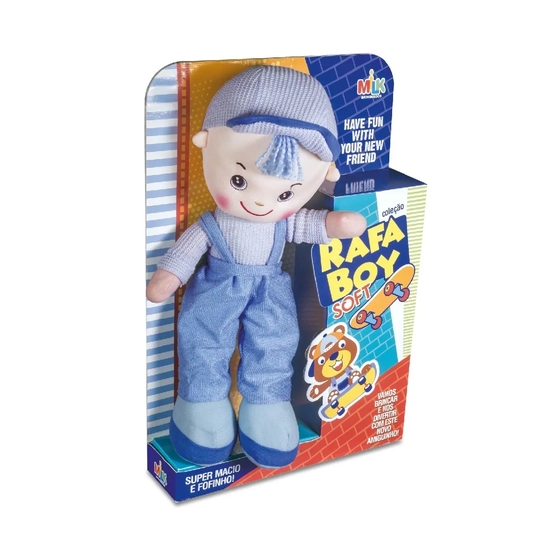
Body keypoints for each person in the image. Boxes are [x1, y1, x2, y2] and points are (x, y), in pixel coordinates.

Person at [147, 65, 366, 468]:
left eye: (284, 194)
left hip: (270, 288)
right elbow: (188, 249)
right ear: (206, 143)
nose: (262, 202)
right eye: (240, 182)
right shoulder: (213, 225)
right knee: (204, 338)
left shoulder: (283, 223)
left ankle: (267, 403)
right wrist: (169, 274)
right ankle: (200, 403)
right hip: (217, 284)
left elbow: (307, 224)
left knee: (274, 341)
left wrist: (335, 225)